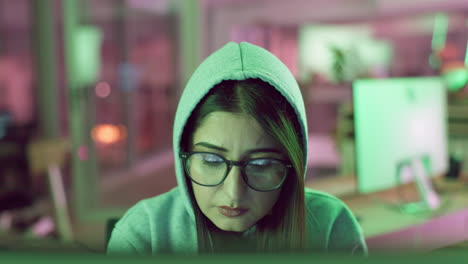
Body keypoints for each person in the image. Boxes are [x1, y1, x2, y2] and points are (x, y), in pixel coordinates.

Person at [107, 42, 367, 255]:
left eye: (262, 164)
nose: (234, 192)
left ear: (292, 162)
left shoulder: (332, 227)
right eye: (210, 159)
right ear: (183, 154)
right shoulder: (144, 234)